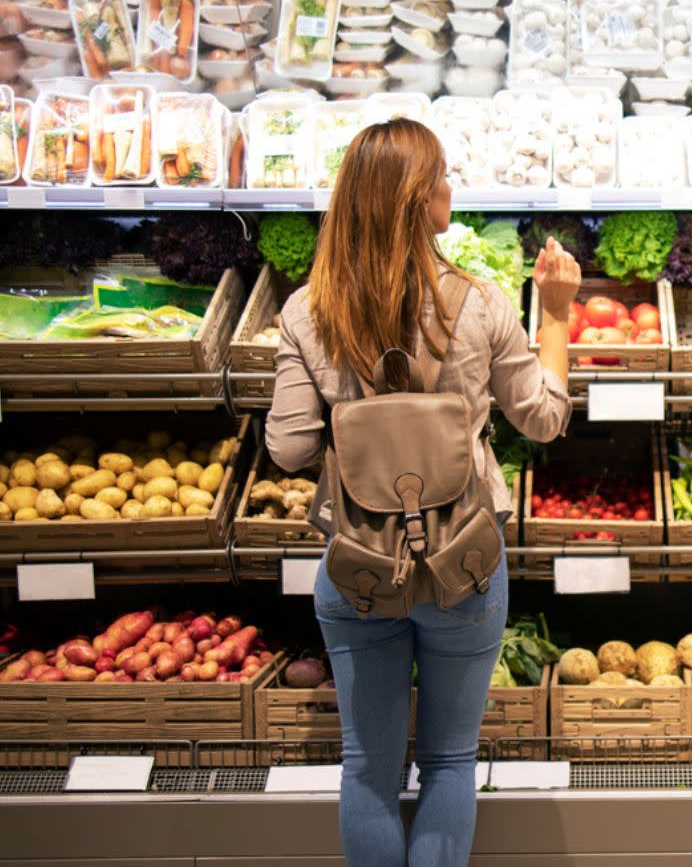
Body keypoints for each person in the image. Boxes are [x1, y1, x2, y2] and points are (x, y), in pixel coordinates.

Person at [265, 118, 579, 867]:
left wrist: (359, 430)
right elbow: (542, 418)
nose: (450, 187)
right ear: (414, 201)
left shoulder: (309, 312)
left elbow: (288, 447)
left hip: (358, 566)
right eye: (439, 176)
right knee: (447, 760)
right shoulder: (480, 303)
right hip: (462, 563)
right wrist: (559, 311)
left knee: (367, 769)